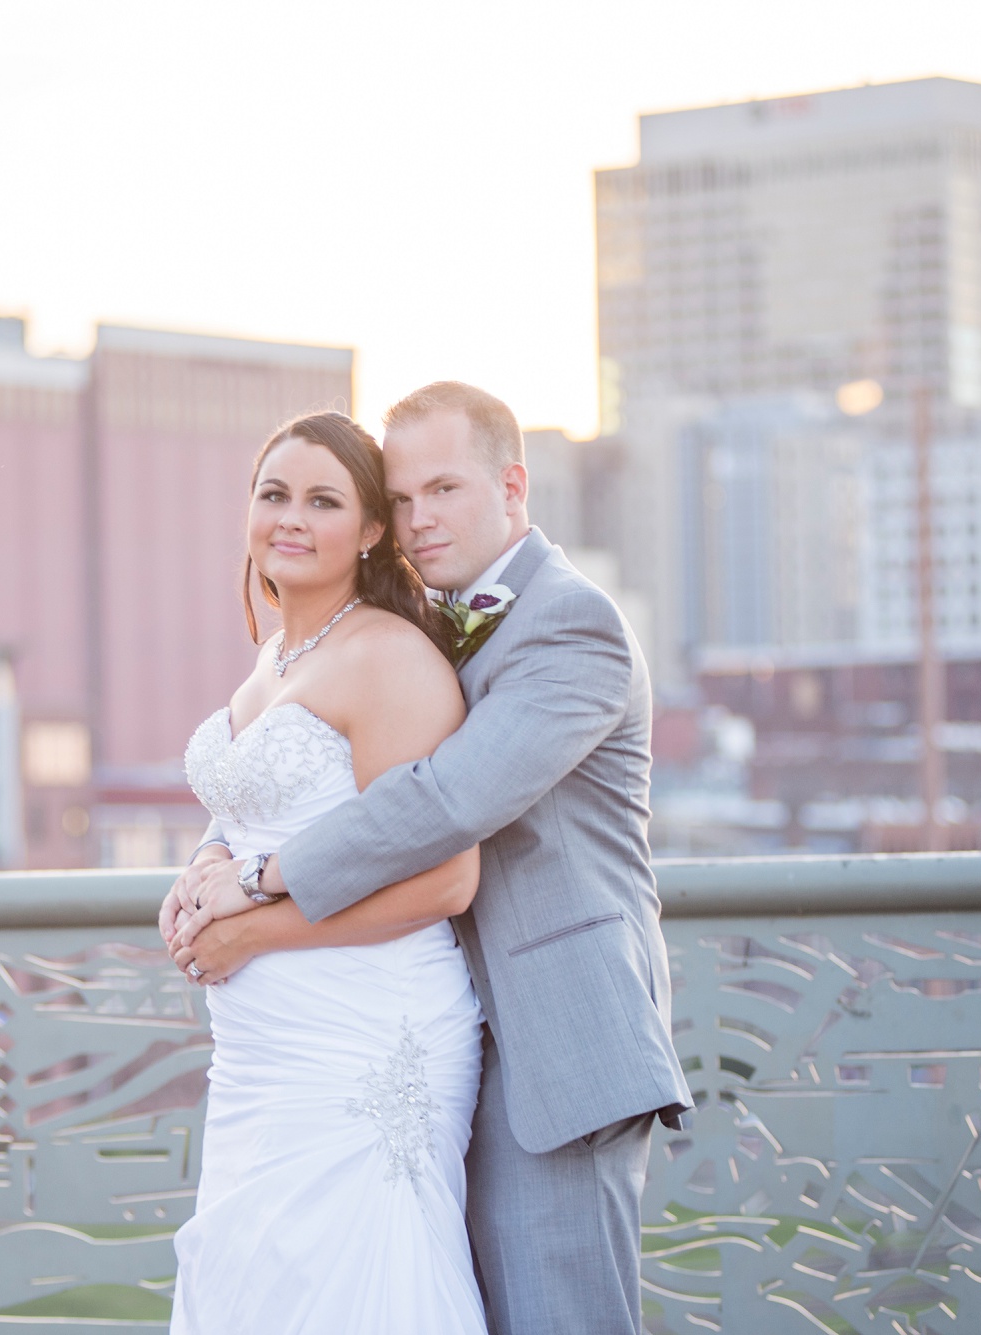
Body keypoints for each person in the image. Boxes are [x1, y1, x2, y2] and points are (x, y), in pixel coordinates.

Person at [166, 382, 692, 1335]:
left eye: (443, 489)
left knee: (557, 1318)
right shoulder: (425, 621)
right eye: (404, 497)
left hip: (555, 1031)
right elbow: (304, 769)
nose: (420, 518)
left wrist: (255, 882)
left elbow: (447, 802)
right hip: (424, 1023)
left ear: (513, 486)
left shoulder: (572, 625)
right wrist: (213, 851)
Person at [162, 410, 489, 1334]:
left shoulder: (389, 658)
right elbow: (254, 809)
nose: (291, 518)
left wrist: (254, 927)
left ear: (374, 529)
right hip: (260, 1058)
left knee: (356, 1287)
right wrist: (203, 868)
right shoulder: (273, 661)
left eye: (323, 500)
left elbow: (445, 881)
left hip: (365, 1035)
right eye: (274, 495)